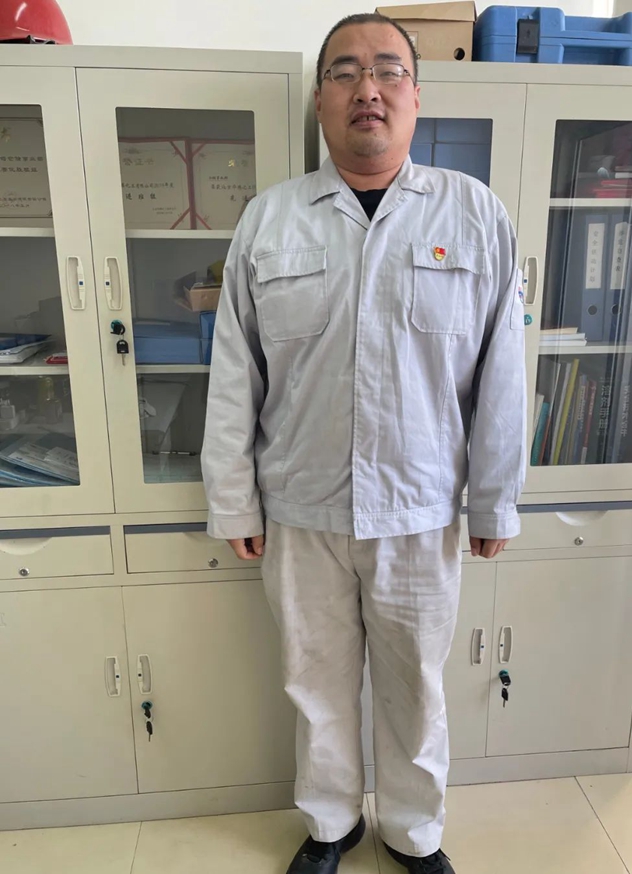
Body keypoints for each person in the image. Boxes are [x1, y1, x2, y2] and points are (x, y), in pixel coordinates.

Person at [202, 12, 527, 874]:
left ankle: (414, 834)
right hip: (300, 509)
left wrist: (495, 499)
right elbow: (235, 372)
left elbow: (502, 372)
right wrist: (233, 498)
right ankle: (330, 825)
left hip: (422, 510)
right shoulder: (270, 221)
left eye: (387, 71)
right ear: (320, 100)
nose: (367, 90)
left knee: (416, 690)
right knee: (315, 686)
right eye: (345, 72)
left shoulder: (474, 215)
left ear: (416, 96)